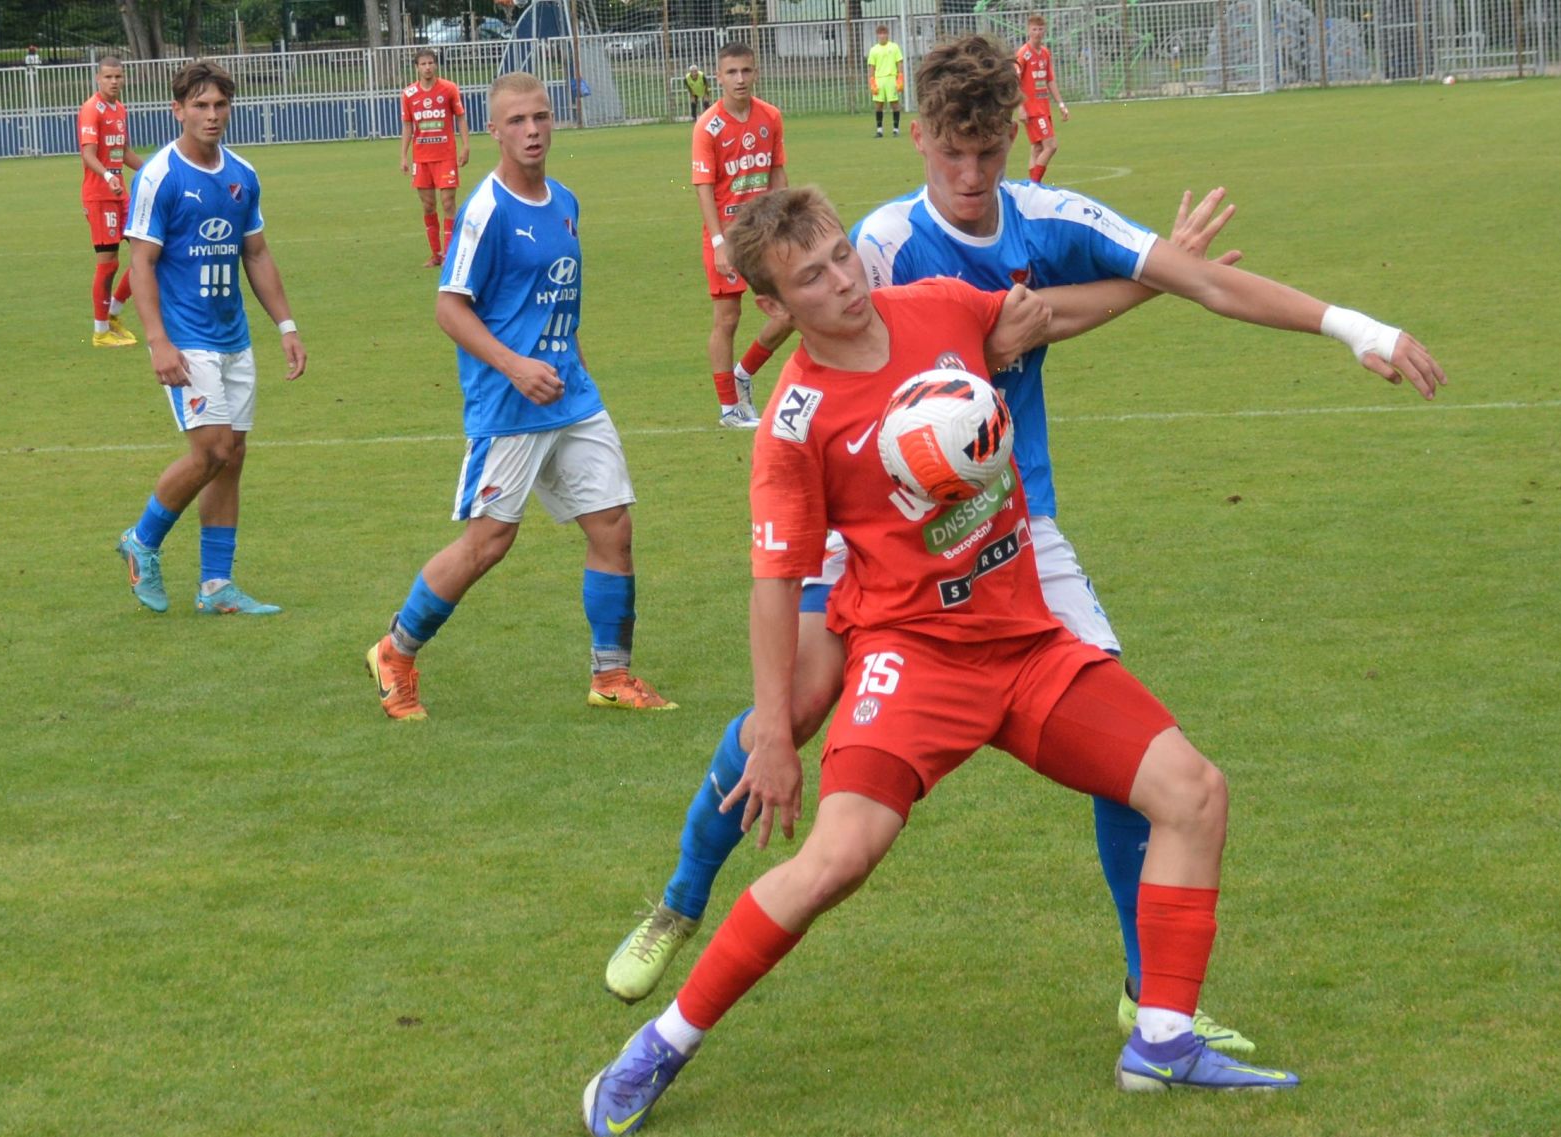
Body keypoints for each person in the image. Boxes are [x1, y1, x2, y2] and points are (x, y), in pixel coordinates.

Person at [601, 31, 1445, 1054]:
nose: (967, 178)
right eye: (948, 156)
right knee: (797, 700)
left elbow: (1153, 297)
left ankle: (1150, 1001)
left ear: (1015, 141)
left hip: (1009, 522)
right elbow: (804, 339)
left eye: (987, 155)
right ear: (915, 141)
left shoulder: (1046, 218)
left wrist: (1355, 327)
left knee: (1125, 745)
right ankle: (681, 901)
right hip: (853, 524)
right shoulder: (870, 249)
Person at [582, 188, 1316, 1135]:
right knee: (837, 859)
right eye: (813, 276)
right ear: (776, 306)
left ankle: (1162, 1041)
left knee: (1193, 790)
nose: (845, 280)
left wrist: (1157, 273)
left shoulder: (936, 304)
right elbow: (777, 581)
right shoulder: (796, 424)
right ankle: (657, 1050)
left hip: (1029, 645)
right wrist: (772, 730)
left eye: (843, 255)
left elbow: (1044, 315)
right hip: (915, 660)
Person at [365, 72, 676, 721]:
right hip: (510, 403)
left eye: (540, 117)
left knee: (613, 525)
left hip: (572, 394)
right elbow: (449, 308)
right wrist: (514, 367)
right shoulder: (486, 210)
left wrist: (577, 371)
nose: (532, 130)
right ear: (493, 131)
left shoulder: (565, 201)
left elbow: (557, 302)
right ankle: (396, 649)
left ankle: (611, 674)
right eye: (517, 121)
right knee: (489, 542)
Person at [115, 61, 307, 617]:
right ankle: (142, 540)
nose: (211, 115)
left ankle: (216, 585)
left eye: (220, 105)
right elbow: (143, 262)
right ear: (178, 110)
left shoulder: (242, 174)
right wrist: (157, 340)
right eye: (199, 105)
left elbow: (257, 252)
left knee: (234, 456)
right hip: (185, 338)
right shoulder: (159, 175)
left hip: (234, 337)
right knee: (212, 450)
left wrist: (287, 327)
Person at [691, 41, 795, 429]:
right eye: (732, 72)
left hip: (764, 232)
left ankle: (744, 372)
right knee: (728, 318)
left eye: (746, 71)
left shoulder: (770, 117)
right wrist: (719, 243)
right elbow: (704, 187)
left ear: (756, 72)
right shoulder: (708, 126)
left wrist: (785, 225)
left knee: (792, 311)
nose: (740, 79)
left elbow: (777, 174)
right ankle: (728, 408)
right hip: (727, 236)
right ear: (718, 77)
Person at [78, 55, 145, 347]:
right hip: (101, 195)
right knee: (108, 265)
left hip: (120, 194)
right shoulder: (91, 109)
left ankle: (115, 312)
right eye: (108, 77)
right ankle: (101, 331)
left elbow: (124, 152)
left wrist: (154, 172)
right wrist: (108, 177)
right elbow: (88, 154)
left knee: (147, 253)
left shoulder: (120, 109)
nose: (114, 82)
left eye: (118, 76)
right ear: (98, 78)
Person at [400, 48, 471, 268]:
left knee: (448, 202)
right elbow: (408, 125)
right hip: (421, 158)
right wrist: (403, 155)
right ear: (417, 67)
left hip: (446, 156)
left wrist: (465, 145)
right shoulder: (409, 94)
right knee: (428, 205)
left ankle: (450, 254)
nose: (428, 67)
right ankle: (436, 254)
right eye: (423, 64)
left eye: (431, 63)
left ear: (436, 65)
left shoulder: (449, 89)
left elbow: (460, 117)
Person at [1016, 14, 1068, 183]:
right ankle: (1034, 185)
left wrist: (1061, 104)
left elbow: (1050, 80)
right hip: (1032, 109)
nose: (1037, 32)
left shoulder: (1045, 53)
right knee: (1051, 146)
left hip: (1043, 107)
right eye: (1034, 29)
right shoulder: (1024, 54)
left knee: (1037, 148)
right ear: (1028, 31)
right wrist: (1020, 107)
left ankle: (1032, 188)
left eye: (1040, 29)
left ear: (1044, 31)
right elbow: (1014, 79)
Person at [866, 24, 905, 138]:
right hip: (879, 80)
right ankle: (879, 130)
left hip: (891, 78)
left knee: (894, 104)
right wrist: (872, 81)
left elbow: (899, 62)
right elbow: (871, 66)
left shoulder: (894, 47)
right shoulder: (874, 50)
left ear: (887, 35)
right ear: (877, 35)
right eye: (880, 33)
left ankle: (896, 129)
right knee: (878, 105)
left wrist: (900, 77)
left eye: (884, 33)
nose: (882, 36)